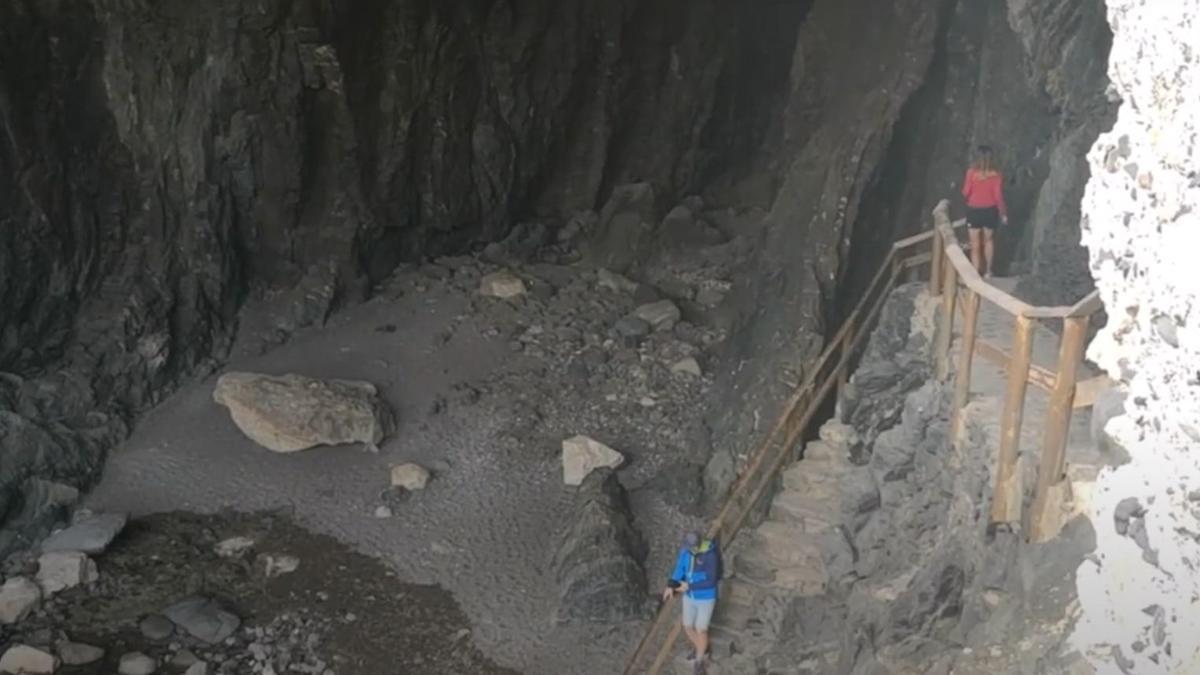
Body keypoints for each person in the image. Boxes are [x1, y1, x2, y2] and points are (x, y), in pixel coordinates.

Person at [662, 531, 722, 669]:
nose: (688, 549)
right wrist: (671, 585)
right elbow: (680, 568)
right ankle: (702, 647)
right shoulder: (686, 551)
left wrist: (689, 585)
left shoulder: (710, 555)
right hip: (690, 596)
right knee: (688, 626)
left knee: (701, 629)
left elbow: (711, 580)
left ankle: (699, 660)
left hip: (705, 598)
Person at [961, 144, 1008, 278]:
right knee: (989, 241)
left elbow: (965, 192)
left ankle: (975, 273)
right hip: (990, 211)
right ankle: (988, 271)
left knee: (975, 245)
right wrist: (1003, 213)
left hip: (974, 210)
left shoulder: (971, 173)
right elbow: (998, 196)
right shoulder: (996, 175)